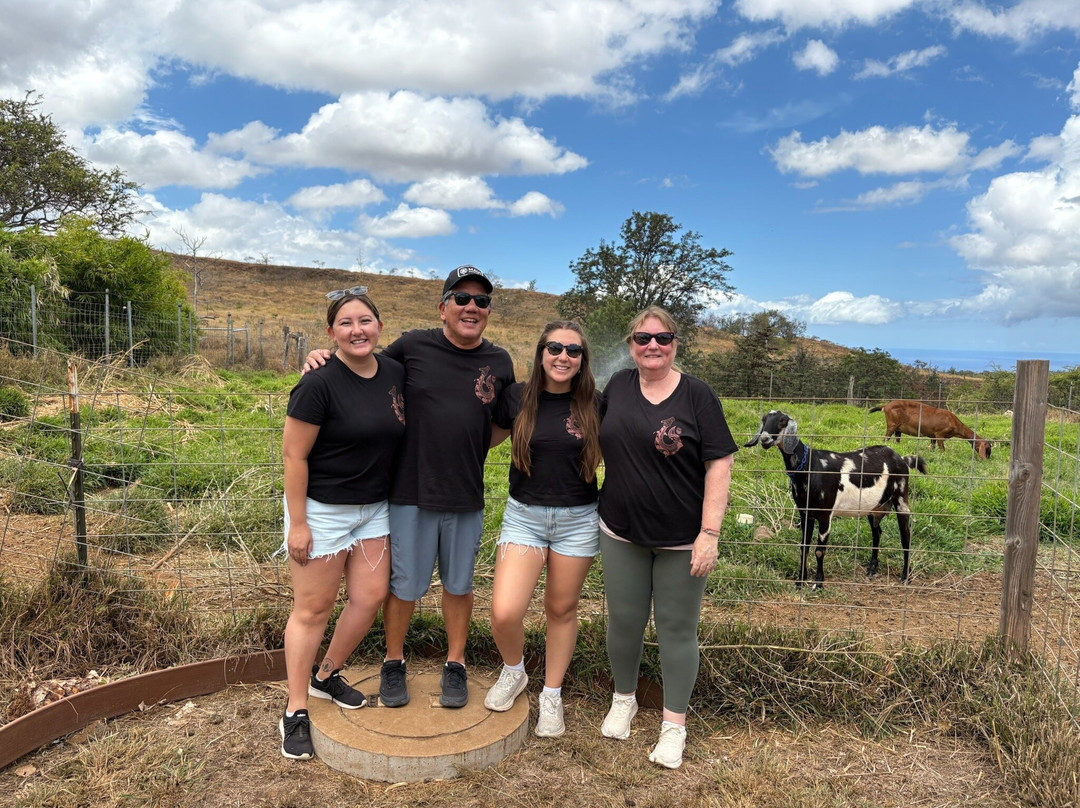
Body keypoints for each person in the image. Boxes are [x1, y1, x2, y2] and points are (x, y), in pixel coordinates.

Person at [304, 265, 514, 709]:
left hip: (464, 493)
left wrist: (469, 440)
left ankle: (454, 664)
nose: (471, 307)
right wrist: (320, 357)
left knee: (459, 585)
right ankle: (393, 661)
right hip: (408, 492)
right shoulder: (413, 346)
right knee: (403, 586)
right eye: (461, 298)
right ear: (442, 307)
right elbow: (363, 363)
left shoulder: (500, 362)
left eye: (481, 301)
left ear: (489, 312)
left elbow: (501, 425)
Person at [595, 306, 737, 770]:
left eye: (663, 337)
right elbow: (583, 432)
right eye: (642, 338)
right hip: (621, 531)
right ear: (630, 344)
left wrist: (709, 533)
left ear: (676, 343)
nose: (652, 345)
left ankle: (674, 726)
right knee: (624, 622)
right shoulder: (616, 386)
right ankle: (624, 699)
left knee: (677, 629)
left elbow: (719, 462)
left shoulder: (698, 395)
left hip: (681, 539)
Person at [278, 287, 406, 760]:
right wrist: (299, 523)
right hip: (324, 511)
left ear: (379, 325)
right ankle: (295, 709)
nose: (358, 330)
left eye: (365, 321)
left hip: (375, 508)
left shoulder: (393, 370)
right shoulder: (318, 383)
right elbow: (294, 454)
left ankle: (326, 674)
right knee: (312, 610)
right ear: (331, 333)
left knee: (369, 597)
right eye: (346, 323)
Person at [484, 321, 602, 737]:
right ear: (541, 352)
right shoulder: (516, 397)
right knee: (505, 611)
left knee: (560, 609)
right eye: (555, 347)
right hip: (525, 517)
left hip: (578, 520)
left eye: (573, 350)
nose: (563, 356)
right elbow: (480, 437)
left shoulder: (595, 403)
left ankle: (552, 694)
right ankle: (514, 671)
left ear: (582, 360)